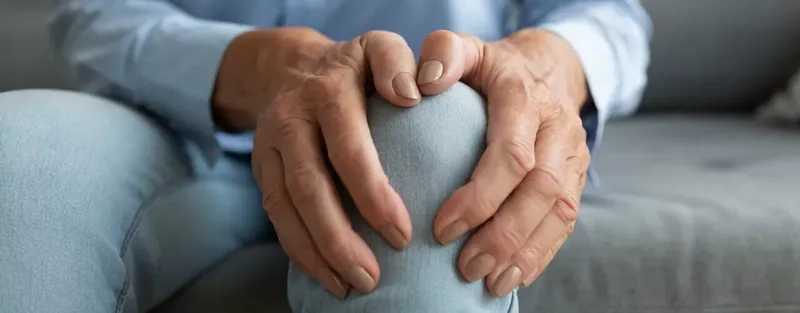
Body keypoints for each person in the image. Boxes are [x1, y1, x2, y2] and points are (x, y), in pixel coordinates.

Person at [0, 0, 651, 312]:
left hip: (437, 109)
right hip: (188, 121)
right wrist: (273, 66)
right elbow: (93, 11)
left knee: (420, 140)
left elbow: (611, 19)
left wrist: (540, 70)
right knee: (16, 161)